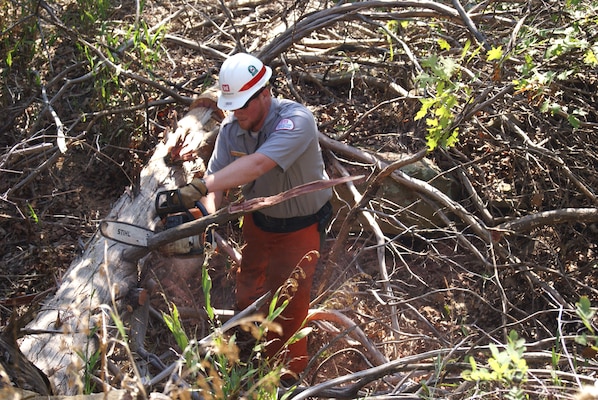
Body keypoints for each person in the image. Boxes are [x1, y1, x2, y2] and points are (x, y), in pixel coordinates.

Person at [177, 52, 332, 379]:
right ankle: (247, 340)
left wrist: (203, 183)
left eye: (243, 104)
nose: (235, 112)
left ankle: (286, 377)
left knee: (288, 304)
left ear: (265, 93)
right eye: (231, 105)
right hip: (259, 221)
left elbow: (259, 163)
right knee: (249, 284)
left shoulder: (296, 121)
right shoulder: (232, 130)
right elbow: (217, 185)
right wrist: (202, 219)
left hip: (301, 228)